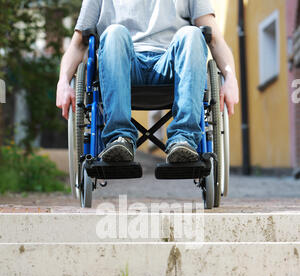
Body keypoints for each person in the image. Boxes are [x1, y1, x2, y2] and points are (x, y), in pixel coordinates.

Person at [56, 0, 239, 164]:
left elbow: (214, 39)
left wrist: (230, 78)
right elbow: (79, 43)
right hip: (121, 68)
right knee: (114, 32)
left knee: (192, 33)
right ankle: (120, 139)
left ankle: (184, 139)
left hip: (170, 66)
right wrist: (63, 82)